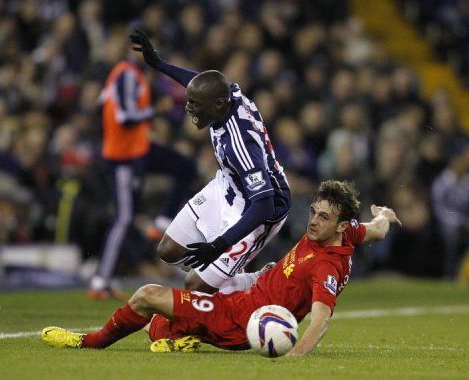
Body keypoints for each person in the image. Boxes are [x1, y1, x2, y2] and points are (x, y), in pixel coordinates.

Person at [41, 180, 402, 356]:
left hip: (239, 318)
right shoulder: (348, 232)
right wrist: (384, 215)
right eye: (313, 212)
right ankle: (182, 338)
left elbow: (321, 319)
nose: (313, 221)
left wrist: (295, 358)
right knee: (158, 328)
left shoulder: (326, 268)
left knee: (147, 296)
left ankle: (88, 343)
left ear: (339, 225)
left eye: (324, 217)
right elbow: (377, 230)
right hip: (250, 290)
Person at [129, 29, 292, 294]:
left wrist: (219, 244)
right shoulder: (227, 96)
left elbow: (263, 203)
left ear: (217, 105)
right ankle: (223, 276)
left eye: (194, 104)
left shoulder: (240, 145)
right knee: (168, 251)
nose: (188, 108)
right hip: (228, 185)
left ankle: (261, 280)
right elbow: (199, 83)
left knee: (196, 285)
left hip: (260, 206)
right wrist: (160, 64)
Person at [89, 36, 198, 300]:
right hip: (125, 155)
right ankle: (100, 280)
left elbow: (103, 106)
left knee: (185, 168)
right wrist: (154, 111)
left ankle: (160, 222)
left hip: (137, 150)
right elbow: (125, 116)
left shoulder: (131, 75)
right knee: (124, 217)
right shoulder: (126, 74)